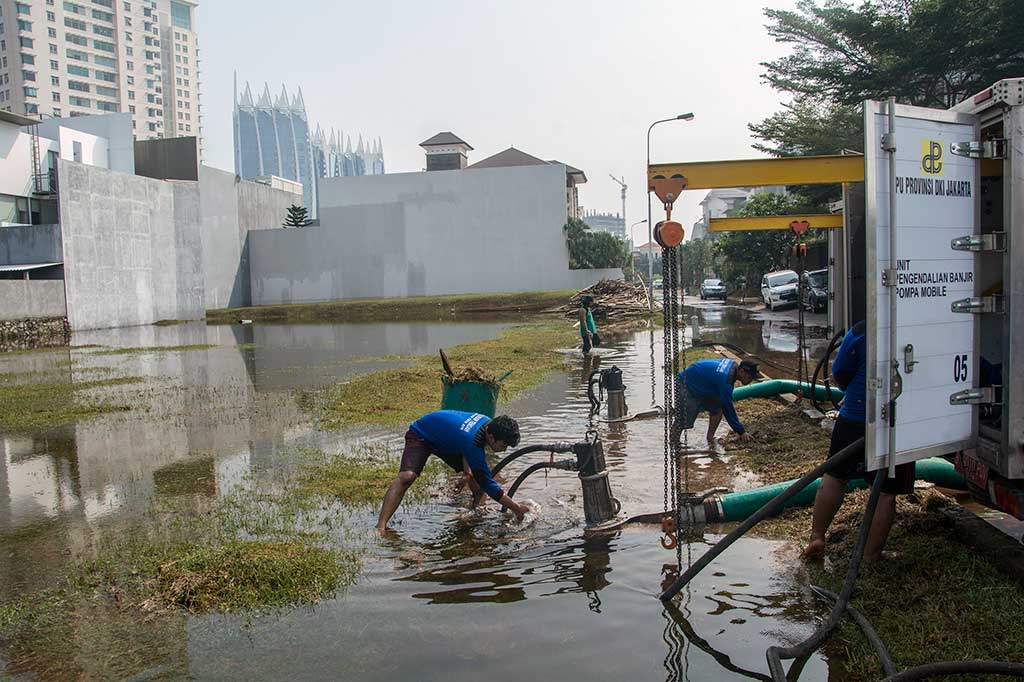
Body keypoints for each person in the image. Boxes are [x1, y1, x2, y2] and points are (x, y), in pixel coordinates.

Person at [803, 321, 914, 561]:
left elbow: (840, 371)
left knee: (834, 476)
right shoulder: (917, 322)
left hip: (854, 414)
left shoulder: (863, 329)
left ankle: (817, 537)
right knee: (885, 492)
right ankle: (871, 555)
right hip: (896, 419)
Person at [376, 410, 532, 535]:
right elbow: (488, 483)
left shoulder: (487, 424)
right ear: (491, 436)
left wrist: (467, 473)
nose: (504, 450)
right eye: (503, 445)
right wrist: (516, 508)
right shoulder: (474, 439)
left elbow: (467, 441)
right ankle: (381, 527)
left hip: (448, 439)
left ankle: (477, 510)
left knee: (476, 479)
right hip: (422, 434)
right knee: (406, 477)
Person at [675, 357, 759, 446]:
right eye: (750, 377)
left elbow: (724, 404)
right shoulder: (726, 380)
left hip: (704, 382)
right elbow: (728, 408)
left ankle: (710, 438)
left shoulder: (733, 365)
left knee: (717, 409)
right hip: (686, 383)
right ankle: (674, 442)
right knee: (684, 418)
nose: (750, 381)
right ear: (742, 371)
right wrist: (741, 431)